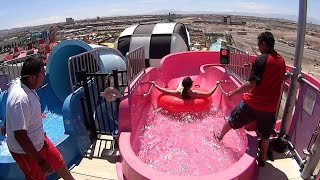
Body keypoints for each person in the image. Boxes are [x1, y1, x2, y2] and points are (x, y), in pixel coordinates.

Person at [215, 32, 286, 167]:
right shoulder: (281, 61)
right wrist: (252, 68)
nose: (258, 47)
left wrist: (232, 93)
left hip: (253, 103)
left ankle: (218, 138)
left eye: (259, 45)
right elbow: (268, 77)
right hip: (271, 107)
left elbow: (251, 85)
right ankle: (262, 159)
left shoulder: (261, 60)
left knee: (231, 120)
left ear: (264, 44)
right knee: (265, 134)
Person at [5, 57, 74, 180]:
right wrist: (41, 161)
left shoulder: (18, 83)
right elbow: (20, 135)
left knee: (59, 161)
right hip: (25, 152)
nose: (44, 75)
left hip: (40, 139)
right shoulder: (21, 99)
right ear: (32, 77)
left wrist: (6, 122)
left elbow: (10, 106)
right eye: (42, 73)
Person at [149, 76, 220, 99]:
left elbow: (164, 91)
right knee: (180, 84)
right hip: (187, 91)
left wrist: (155, 85)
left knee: (179, 84)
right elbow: (209, 94)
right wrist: (216, 85)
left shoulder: (178, 92)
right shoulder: (194, 93)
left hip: (181, 91)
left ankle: (181, 82)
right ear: (191, 85)